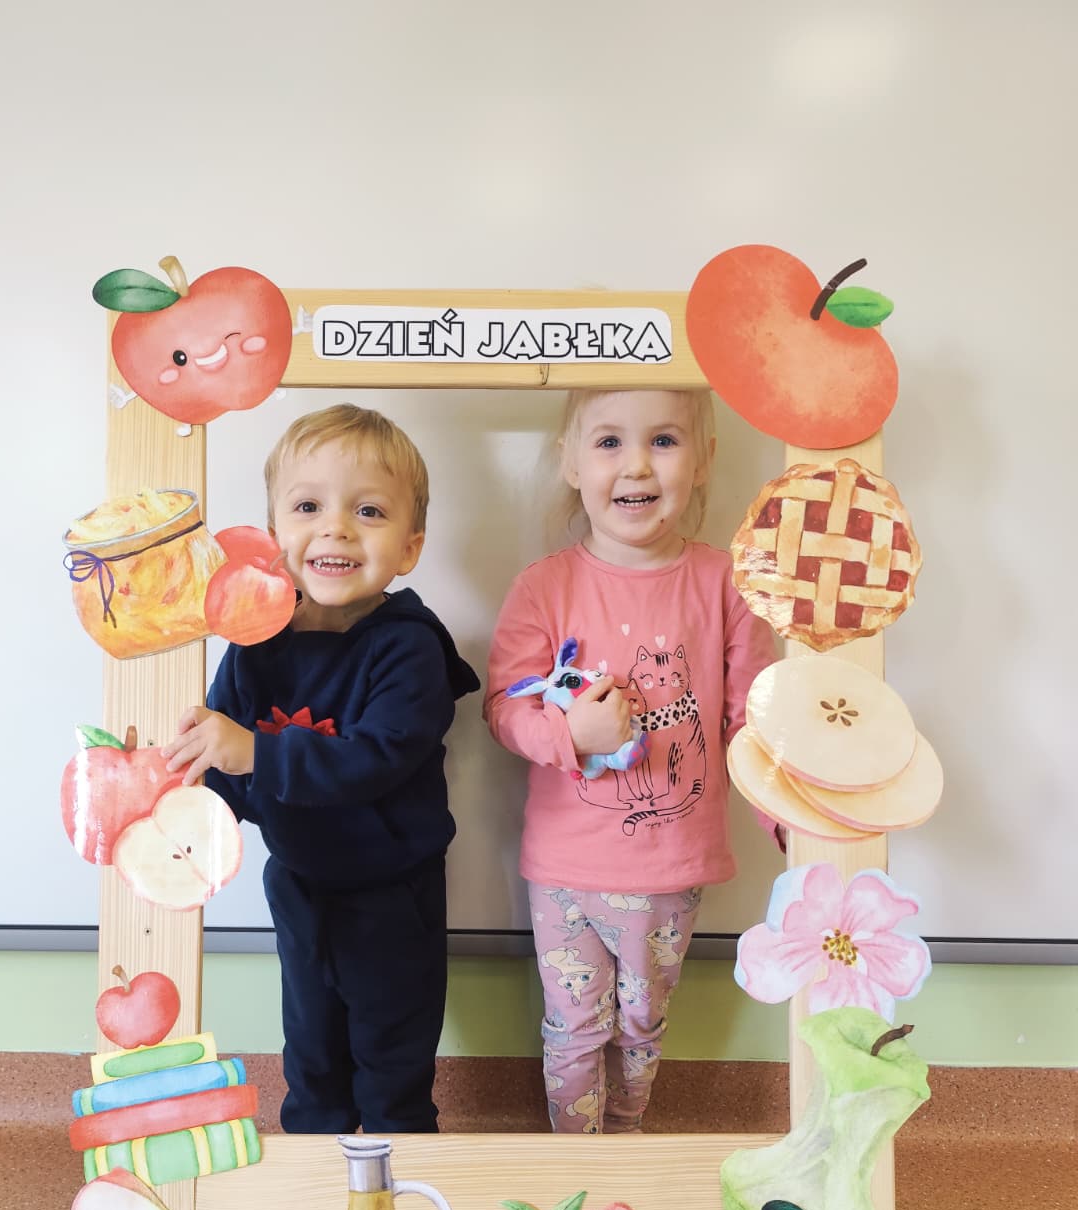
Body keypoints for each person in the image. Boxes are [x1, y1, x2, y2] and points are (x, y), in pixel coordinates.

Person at [164, 404, 479, 1134]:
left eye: (368, 511)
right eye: (308, 507)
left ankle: (399, 1184)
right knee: (310, 1058)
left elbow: (375, 759)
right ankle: (313, 1173)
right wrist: (182, 796)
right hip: (300, 884)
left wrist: (256, 751)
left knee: (392, 1066)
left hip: (392, 894)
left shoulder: (409, 646)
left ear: (409, 547)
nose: (335, 528)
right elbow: (226, 767)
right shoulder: (253, 642)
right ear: (272, 534)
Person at [485, 388, 779, 1134]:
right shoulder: (544, 586)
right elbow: (504, 710)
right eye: (609, 442)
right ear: (571, 463)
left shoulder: (728, 583)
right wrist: (570, 735)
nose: (637, 465)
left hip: (671, 869)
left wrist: (785, 814)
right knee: (574, 1028)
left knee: (643, 1026)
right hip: (567, 871)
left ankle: (626, 1143)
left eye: (665, 441)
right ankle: (577, 1158)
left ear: (703, 459)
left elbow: (755, 722)